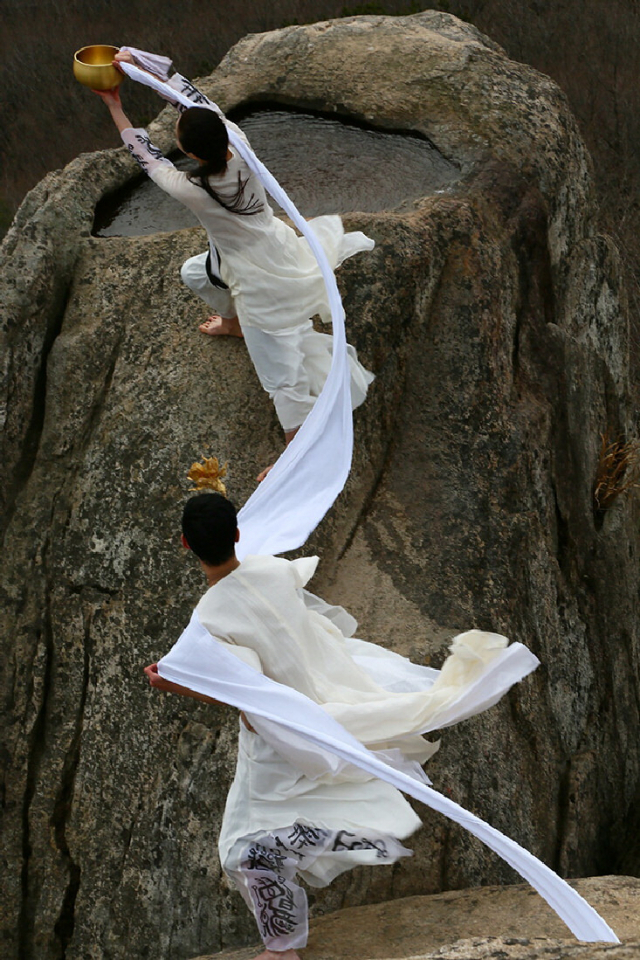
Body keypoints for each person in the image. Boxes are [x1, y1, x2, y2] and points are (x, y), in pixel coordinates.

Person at [144, 492, 541, 960]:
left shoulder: (210, 619)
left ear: (184, 545)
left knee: (242, 849)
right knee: (287, 823)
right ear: (236, 533)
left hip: (283, 735)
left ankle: (283, 948)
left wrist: (177, 683)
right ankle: (326, 875)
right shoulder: (272, 569)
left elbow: (247, 692)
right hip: (332, 695)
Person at [94, 49, 375, 479]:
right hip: (266, 245)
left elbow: (146, 154)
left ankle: (295, 447)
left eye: (180, 134)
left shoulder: (192, 189)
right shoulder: (237, 142)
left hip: (254, 275)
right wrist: (142, 64)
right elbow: (191, 99)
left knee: (278, 368)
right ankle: (233, 323)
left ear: (188, 150)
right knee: (195, 273)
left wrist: (114, 104)